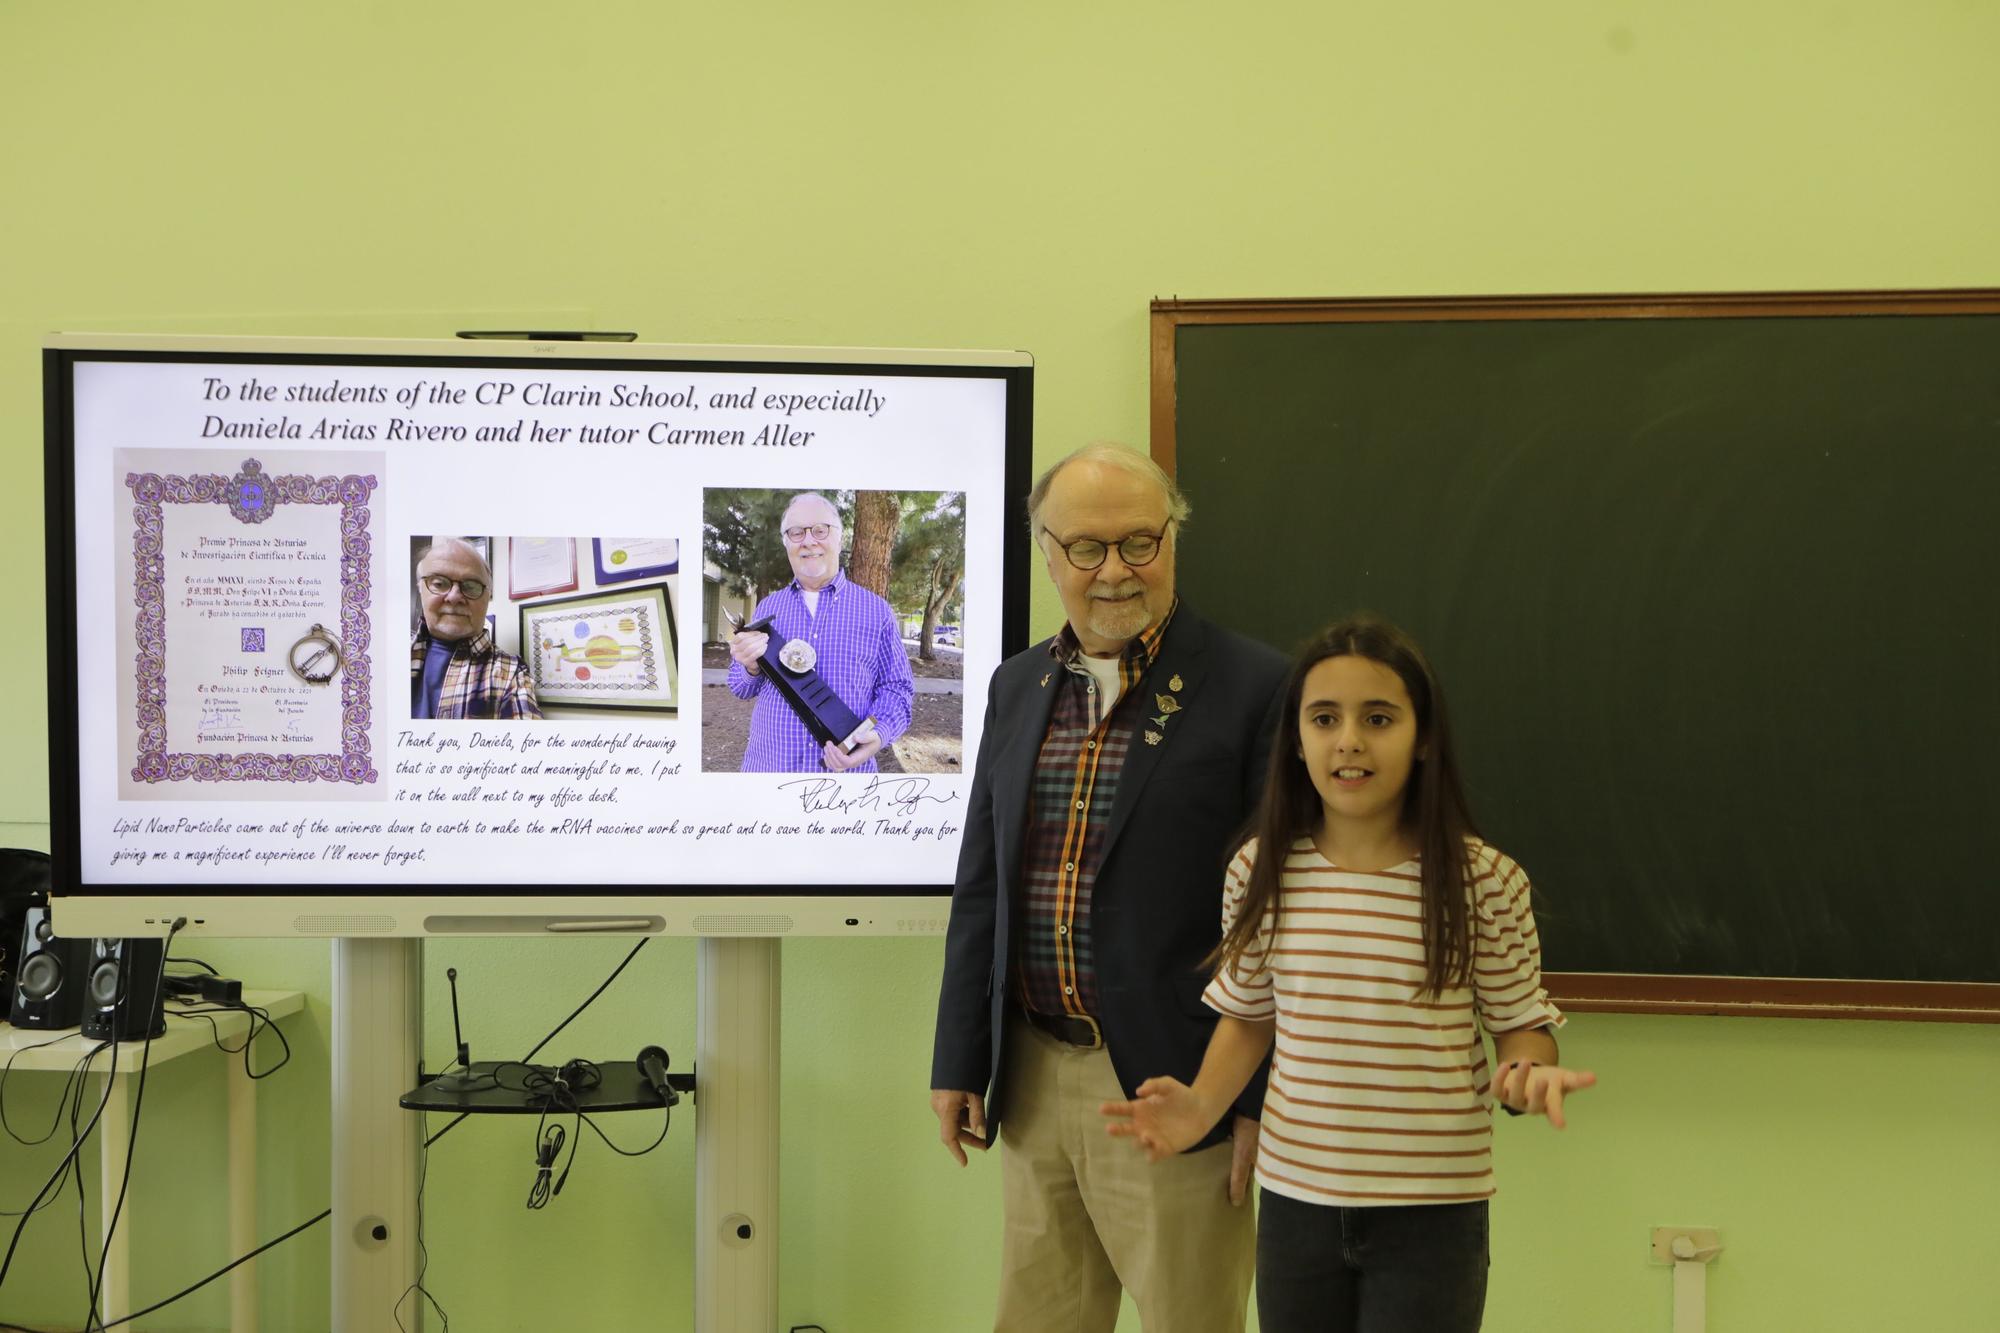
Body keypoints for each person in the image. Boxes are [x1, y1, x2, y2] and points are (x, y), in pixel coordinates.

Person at [1100, 614, 1596, 1333]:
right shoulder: (1261, 870)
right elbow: (1249, 1017)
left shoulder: (1483, 879)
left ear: (1424, 737)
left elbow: (1522, 1023)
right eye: (1324, 718)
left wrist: (1528, 1069)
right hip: (1297, 1203)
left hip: (1434, 1212)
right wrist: (1201, 1108)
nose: (1350, 740)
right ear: (1297, 741)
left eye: (1379, 717)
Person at [930, 443, 1288, 1333]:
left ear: (1173, 540)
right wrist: (960, 1057)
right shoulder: (1018, 685)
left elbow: (1278, 912)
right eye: (1087, 547)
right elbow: (983, 881)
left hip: (1179, 1081)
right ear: (1047, 553)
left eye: (1140, 541)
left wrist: (1250, 1098)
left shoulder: (1255, 688)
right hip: (1034, 1073)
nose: (1116, 570)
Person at [726, 492, 914, 773]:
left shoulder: (877, 611)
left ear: (840, 538)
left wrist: (877, 736)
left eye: (820, 530)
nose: (809, 541)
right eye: (796, 532)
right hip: (767, 772)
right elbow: (740, 686)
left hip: (846, 784)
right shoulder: (768, 606)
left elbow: (898, 689)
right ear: (786, 542)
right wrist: (750, 667)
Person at [410, 537, 541, 720]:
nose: (454, 597)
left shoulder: (511, 673)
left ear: (487, 597)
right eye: (439, 583)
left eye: (470, 586)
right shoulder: (383, 655)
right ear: (421, 588)